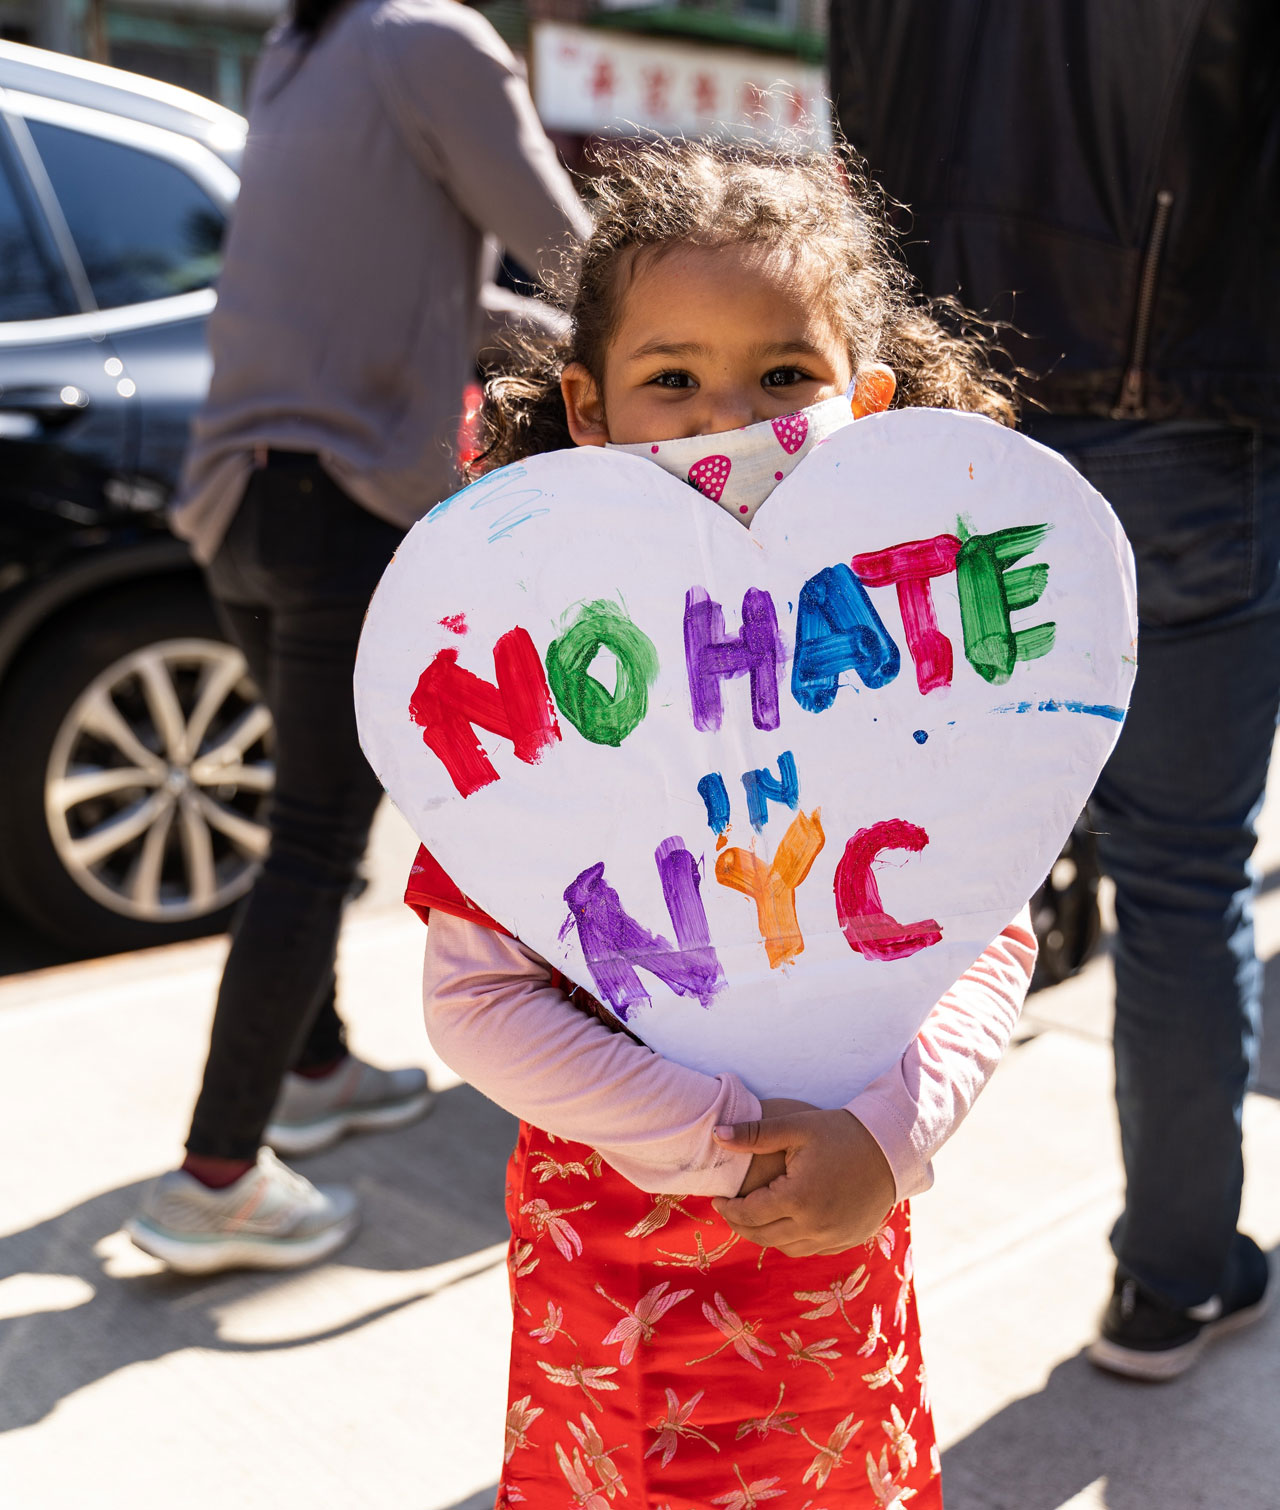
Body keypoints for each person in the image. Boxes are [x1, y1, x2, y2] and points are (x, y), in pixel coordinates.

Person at [398, 138, 1038, 1506]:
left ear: (868, 401)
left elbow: (990, 928)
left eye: (785, 377)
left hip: (831, 1256)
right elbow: (474, 997)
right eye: (674, 379)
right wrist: (721, 1132)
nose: (726, 424)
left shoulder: (914, 659)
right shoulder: (524, 666)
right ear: (588, 405)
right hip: (609, 1272)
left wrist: (888, 1130)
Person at [829, 0, 1278, 1380]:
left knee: (875, 853)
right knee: (1183, 879)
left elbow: (858, 154)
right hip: (1183, 432)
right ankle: (1173, 1273)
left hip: (953, 429)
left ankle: (795, 1281)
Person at [125, 0, 590, 1275]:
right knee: (318, 837)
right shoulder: (433, 39)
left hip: (235, 494)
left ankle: (316, 1066)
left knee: (308, 812)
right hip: (345, 501)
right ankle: (215, 1177)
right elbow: (573, 258)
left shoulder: (306, 46)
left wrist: (536, 340)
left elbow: (406, 291)